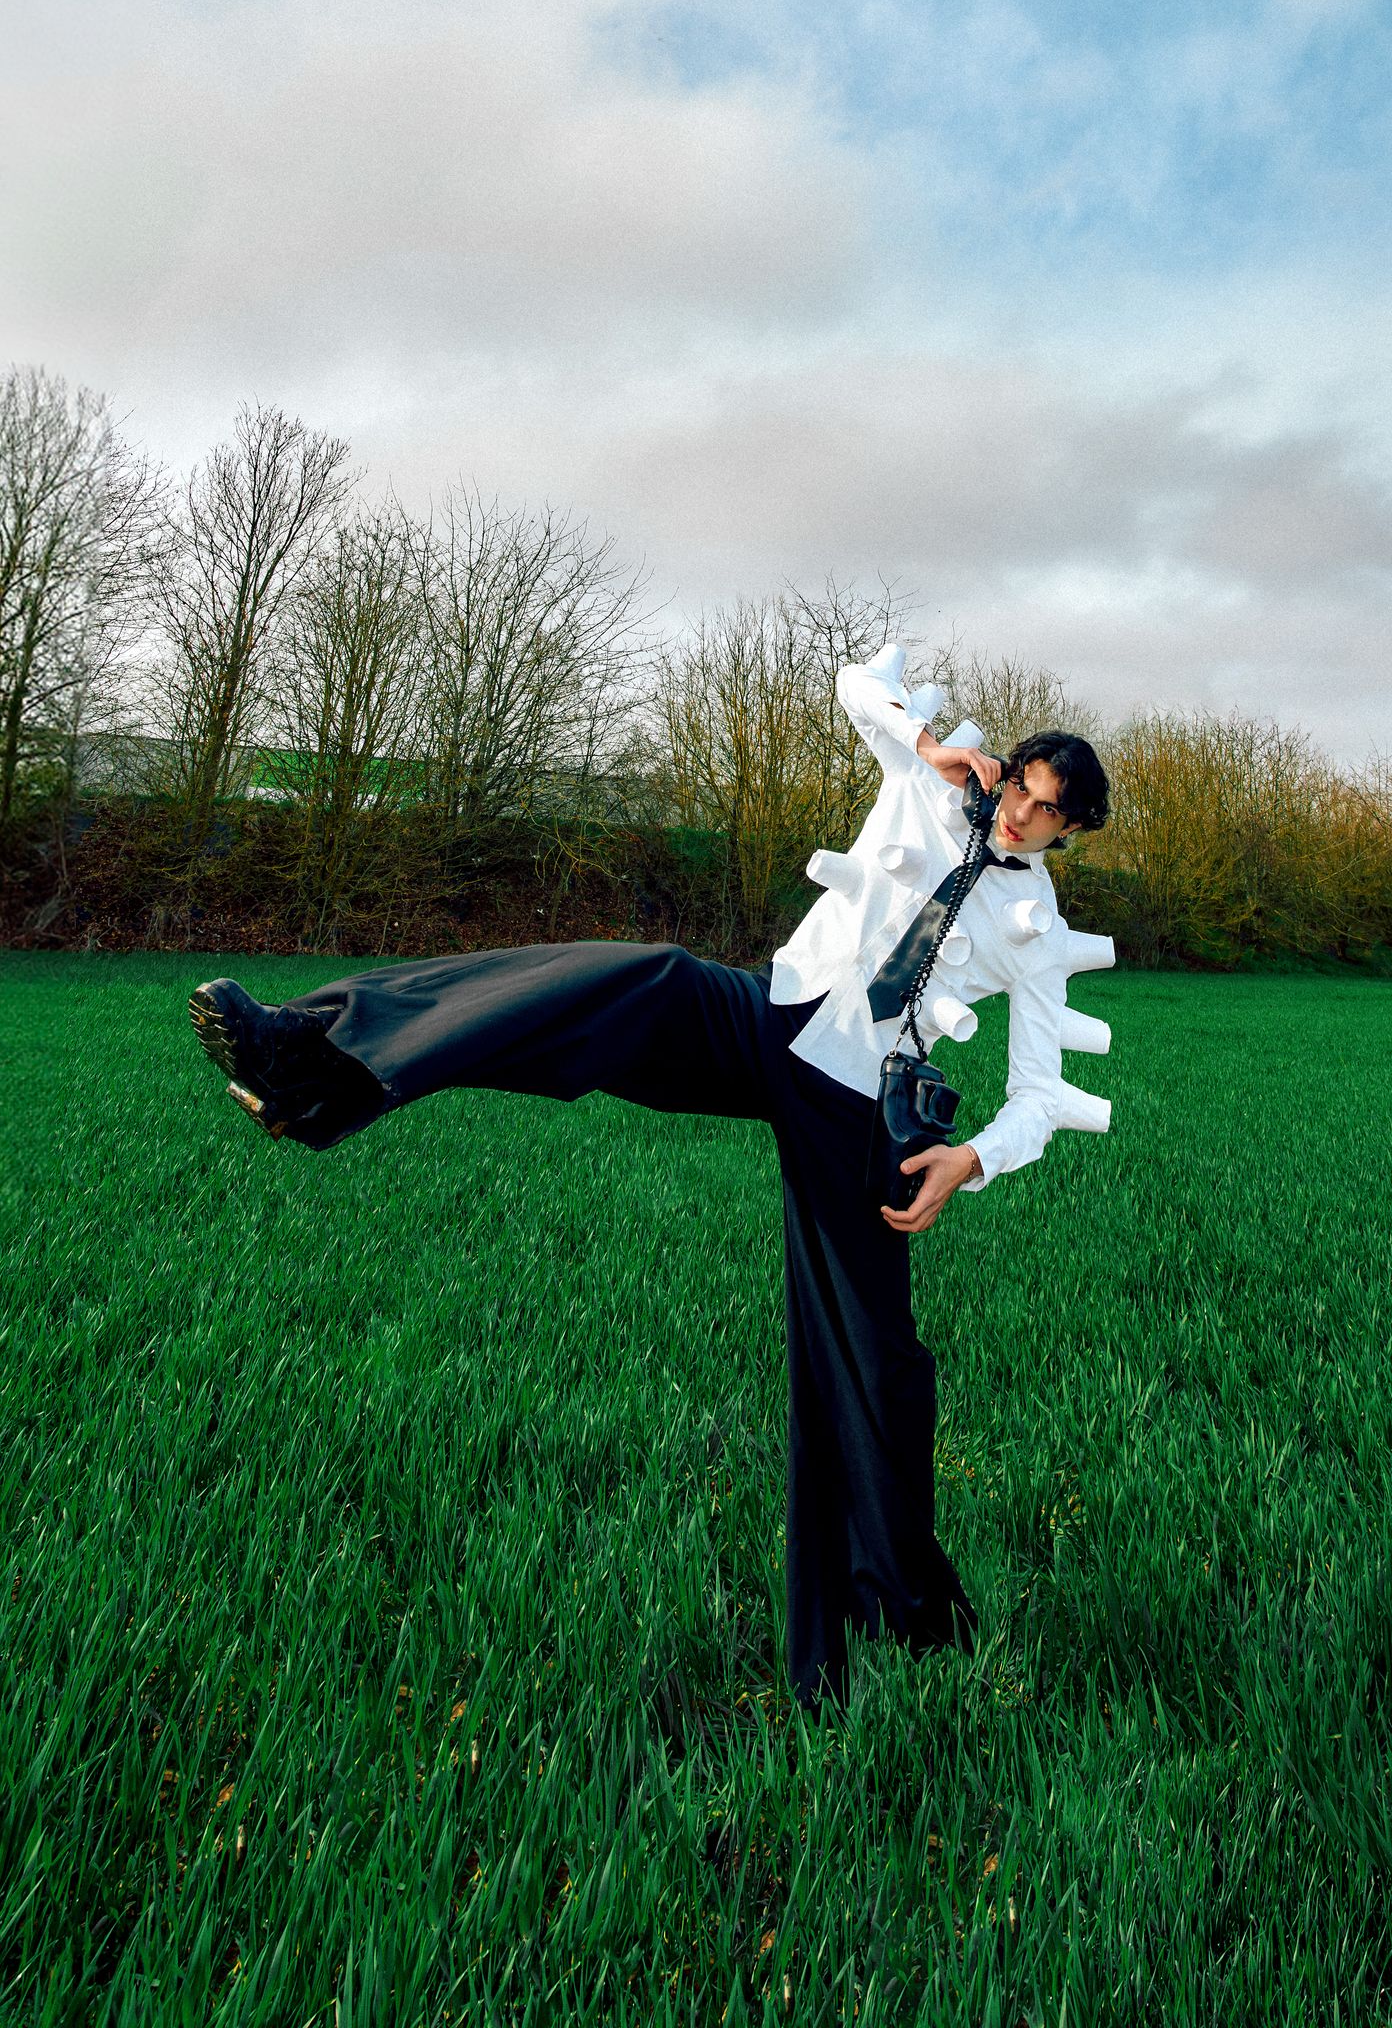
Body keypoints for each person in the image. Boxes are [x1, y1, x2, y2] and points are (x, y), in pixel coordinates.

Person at [187, 642, 1112, 1716]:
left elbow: (1043, 1091)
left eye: (1045, 812)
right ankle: (303, 1065)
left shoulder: (1035, 930)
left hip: (858, 1109)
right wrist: (924, 740)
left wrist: (968, 1159)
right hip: (770, 1017)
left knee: (871, 1361)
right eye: (1021, 787)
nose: (1019, 814)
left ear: (1070, 831)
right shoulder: (924, 782)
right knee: (626, 982)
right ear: (1007, 770)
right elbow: (856, 680)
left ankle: (891, 1623)